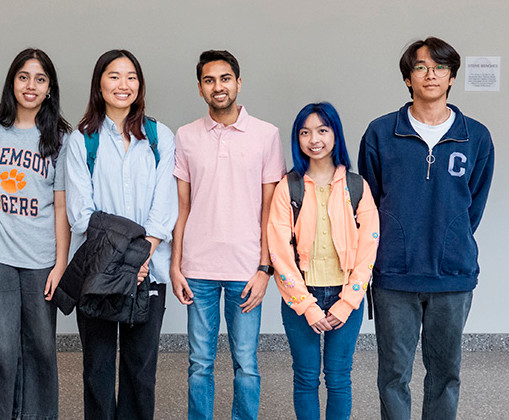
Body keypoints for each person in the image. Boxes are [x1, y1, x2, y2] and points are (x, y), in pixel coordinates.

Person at [358, 37, 494, 420]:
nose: (431, 74)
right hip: (394, 275)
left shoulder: (477, 137)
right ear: (407, 78)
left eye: (440, 67)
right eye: (421, 67)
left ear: (451, 77)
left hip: (453, 276)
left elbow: (474, 205)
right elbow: (370, 202)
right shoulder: (381, 133)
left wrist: (452, 241)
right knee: (393, 376)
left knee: (446, 374)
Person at [170, 49, 285, 420]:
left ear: (238, 82)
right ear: (200, 89)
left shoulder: (266, 135)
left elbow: (271, 209)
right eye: (208, 80)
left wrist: (265, 268)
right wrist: (176, 265)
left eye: (224, 78)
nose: (217, 86)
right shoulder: (186, 137)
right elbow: (181, 207)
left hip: (247, 267)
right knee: (199, 364)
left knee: (246, 364)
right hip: (197, 267)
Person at [64, 49, 177, 420]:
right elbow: (81, 215)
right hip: (98, 273)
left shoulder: (160, 137)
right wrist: (131, 256)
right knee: (97, 371)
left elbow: (165, 207)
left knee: (140, 373)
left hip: (151, 273)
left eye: (131, 77)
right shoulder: (82, 141)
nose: (123, 85)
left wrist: (144, 256)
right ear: (99, 83)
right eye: (114, 76)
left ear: (140, 85)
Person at [0, 48, 71, 419]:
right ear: (12, 81)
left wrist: (61, 263)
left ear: (49, 88)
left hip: (40, 257)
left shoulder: (60, 136)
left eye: (40, 79)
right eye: (24, 77)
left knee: (40, 347)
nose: (31, 85)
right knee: (0, 348)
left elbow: (60, 206)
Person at [267, 103, 379, 419]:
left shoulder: (357, 186)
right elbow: (279, 252)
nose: (314, 139)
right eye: (305, 132)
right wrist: (306, 304)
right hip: (301, 296)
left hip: (346, 295)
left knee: (339, 377)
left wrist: (347, 303)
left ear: (335, 135)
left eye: (322, 130)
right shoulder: (288, 187)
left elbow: (368, 249)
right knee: (305, 377)